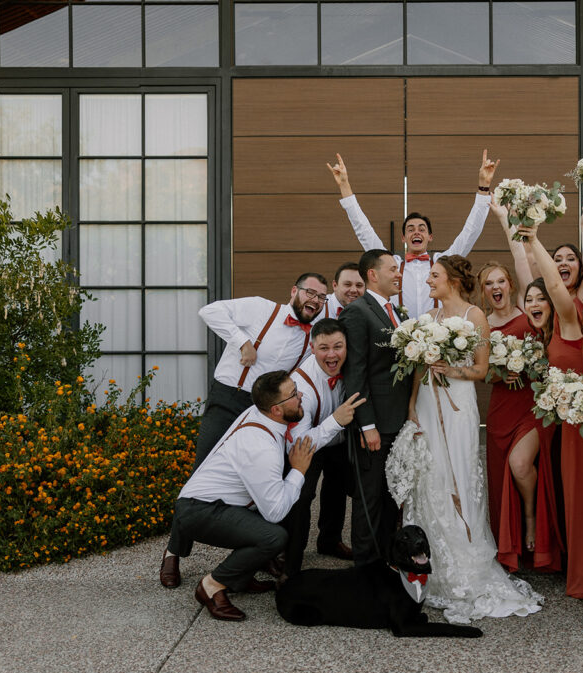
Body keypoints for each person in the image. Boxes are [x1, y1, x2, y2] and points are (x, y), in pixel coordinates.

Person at [398, 254, 542, 624]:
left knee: (457, 474)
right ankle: (431, 563)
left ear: (453, 280)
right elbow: (418, 366)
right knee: (430, 475)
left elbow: (480, 370)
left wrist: (451, 369)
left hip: (459, 404)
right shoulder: (428, 320)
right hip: (429, 403)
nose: (429, 281)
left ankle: (465, 561)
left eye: (434, 276)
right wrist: (413, 403)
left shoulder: (473, 317)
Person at [161, 370, 366, 621]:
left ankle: (241, 577)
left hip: (216, 502)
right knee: (273, 536)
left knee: (272, 519)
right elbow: (275, 511)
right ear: (277, 410)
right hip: (199, 510)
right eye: (293, 394)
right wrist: (299, 472)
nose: (301, 395)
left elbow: (300, 443)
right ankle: (213, 584)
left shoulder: (261, 415)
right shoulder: (261, 447)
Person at [518, 196, 583, 599]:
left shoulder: (577, 314)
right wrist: (520, 233)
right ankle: (564, 553)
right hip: (559, 416)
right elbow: (536, 276)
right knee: (561, 484)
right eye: (556, 258)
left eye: (568, 258)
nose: (562, 265)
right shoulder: (552, 321)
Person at [479, 201, 561, 573]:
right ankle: (508, 546)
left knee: (520, 464)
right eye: (488, 284)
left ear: (511, 284)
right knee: (501, 476)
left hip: (531, 408)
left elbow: (523, 257)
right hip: (499, 409)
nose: (496, 287)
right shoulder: (481, 326)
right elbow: (483, 373)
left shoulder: (529, 314)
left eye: (500, 281)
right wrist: (500, 373)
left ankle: (530, 519)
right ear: (483, 292)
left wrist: (507, 218)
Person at [328, 150, 499, 317]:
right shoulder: (391, 263)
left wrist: (483, 186)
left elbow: (470, 232)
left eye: (421, 229)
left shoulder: (443, 263)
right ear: (403, 238)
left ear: (430, 237)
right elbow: (363, 230)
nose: (416, 232)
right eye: (410, 229)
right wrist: (344, 186)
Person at [193, 272, 329, 470]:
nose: (315, 300)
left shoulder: (311, 339)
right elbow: (210, 311)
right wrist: (243, 343)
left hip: (266, 411)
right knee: (206, 465)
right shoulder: (261, 308)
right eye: (310, 292)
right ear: (294, 291)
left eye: (321, 297)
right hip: (229, 399)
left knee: (252, 472)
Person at [338, 249, 413, 565]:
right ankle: (365, 570)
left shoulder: (397, 312)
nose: (399, 274)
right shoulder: (357, 312)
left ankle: (385, 563)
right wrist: (366, 424)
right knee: (368, 499)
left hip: (399, 421)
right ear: (373, 274)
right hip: (375, 424)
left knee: (389, 496)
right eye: (393, 269)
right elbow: (355, 371)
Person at [283, 318, 355, 574]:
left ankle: (329, 541)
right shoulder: (301, 385)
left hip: (338, 442)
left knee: (339, 488)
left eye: (338, 346)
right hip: (307, 448)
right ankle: (290, 561)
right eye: (324, 348)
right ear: (312, 348)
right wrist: (336, 421)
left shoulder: (352, 367)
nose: (332, 354)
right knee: (302, 499)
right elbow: (300, 444)